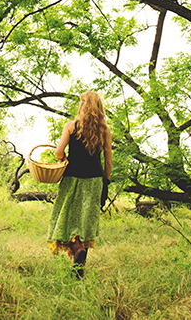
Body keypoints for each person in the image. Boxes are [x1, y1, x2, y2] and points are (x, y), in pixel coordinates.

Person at [46, 91, 113, 279]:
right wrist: (105, 181)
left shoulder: (71, 126)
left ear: (82, 105)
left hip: (72, 178)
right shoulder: (104, 130)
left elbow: (59, 152)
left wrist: (64, 157)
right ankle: (79, 268)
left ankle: (76, 250)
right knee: (85, 223)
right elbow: (108, 162)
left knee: (67, 218)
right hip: (94, 180)